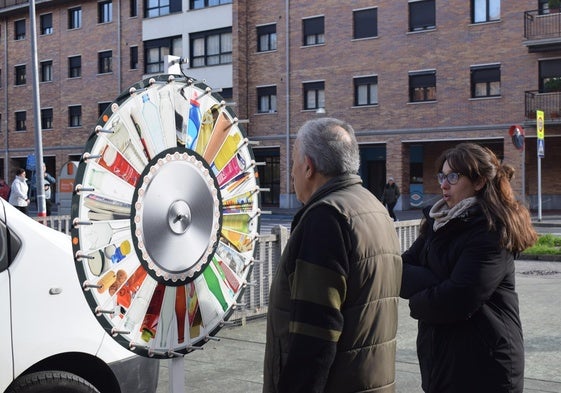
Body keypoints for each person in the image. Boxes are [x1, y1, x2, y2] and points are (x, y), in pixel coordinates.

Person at [263, 117, 402, 393]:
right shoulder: (373, 206)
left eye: (293, 163)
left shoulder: (327, 218)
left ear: (308, 167)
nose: (291, 173)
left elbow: (315, 334)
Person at [400, 143, 538, 393]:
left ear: (479, 182)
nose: (444, 184)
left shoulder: (490, 230)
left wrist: (416, 302)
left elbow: (459, 297)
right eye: (442, 175)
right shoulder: (437, 222)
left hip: (484, 364)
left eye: (454, 176)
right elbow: (401, 269)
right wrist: (441, 282)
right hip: (440, 359)